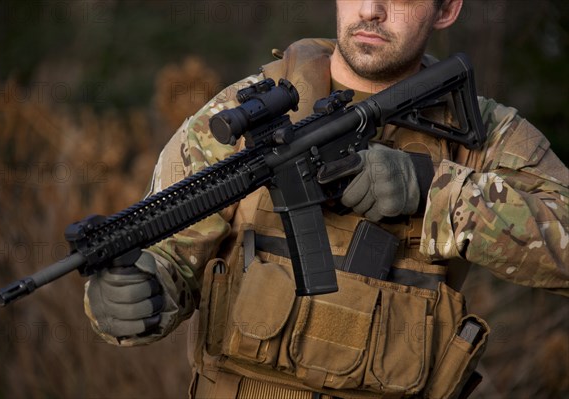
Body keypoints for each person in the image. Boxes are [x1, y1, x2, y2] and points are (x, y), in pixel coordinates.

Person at [84, 1, 569, 398]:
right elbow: (169, 255)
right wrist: (139, 293)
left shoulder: (488, 136)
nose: (373, 10)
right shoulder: (244, 114)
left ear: (446, 10)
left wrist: (435, 190)